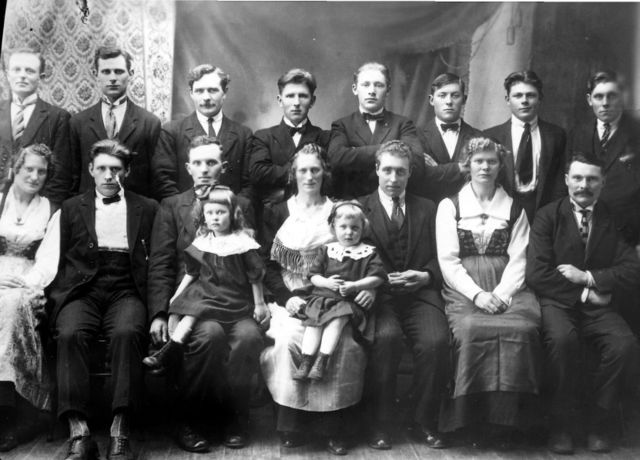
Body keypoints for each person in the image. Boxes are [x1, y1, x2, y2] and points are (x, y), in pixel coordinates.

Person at [146, 135, 256, 453]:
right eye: (198, 163)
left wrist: (260, 303)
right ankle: (189, 419)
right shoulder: (171, 206)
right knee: (209, 336)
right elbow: (161, 263)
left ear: (223, 167)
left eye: (211, 162)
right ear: (188, 168)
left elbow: (253, 261)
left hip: (234, 300)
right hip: (192, 303)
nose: (204, 169)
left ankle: (233, 417)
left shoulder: (241, 205)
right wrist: (160, 312)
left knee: (248, 336)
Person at [49, 139, 158, 460]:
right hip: (82, 288)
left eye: (116, 169)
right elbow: (55, 258)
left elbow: (157, 259)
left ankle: (119, 430)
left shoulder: (147, 207)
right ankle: (79, 432)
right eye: (102, 169)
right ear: (91, 170)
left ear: (127, 172)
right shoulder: (71, 207)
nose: (109, 175)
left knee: (127, 333)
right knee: (69, 333)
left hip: (127, 286)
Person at [527, 153, 640, 455]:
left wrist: (588, 277)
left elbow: (632, 269)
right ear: (566, 180)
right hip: (558, 303)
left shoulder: (613, 217)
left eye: (591, 179)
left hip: (599, 308)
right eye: (577, 178)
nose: (583, 185)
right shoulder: (548, 216)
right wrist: (585, 293)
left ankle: (597, 424)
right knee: (562, 342)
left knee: (624, 345)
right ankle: (561, 426)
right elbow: (537, 273)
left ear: (603, 182)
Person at [260, 143, 366, 455]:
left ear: (325, 173)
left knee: (342, 343)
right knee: (288, 339)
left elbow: (354, 256)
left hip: (330, 296)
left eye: (315, 170)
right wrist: (287, 298)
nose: (309, 176)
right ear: (293, 174)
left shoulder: (338, 211)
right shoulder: (277, 211)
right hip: (288, 296)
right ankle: (291, 425)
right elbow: (266, 265)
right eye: (303, 170)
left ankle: (332, 427)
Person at [435, 137, 542, 446]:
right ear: (467, 165)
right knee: (470, 329)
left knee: (522, 329)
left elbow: (520, 258)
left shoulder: (514, 208)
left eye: (491, 161)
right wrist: (478, 295)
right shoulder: (450, 206)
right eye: (478, 161)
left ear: (500, 166)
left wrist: (503, 294)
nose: (485, 166)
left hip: (508, 284)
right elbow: (448, 260)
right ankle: (468, 423)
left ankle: (508, 425)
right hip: (465, 286)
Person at [359, 140, 449, 450]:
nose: (393, 178)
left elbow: (444, 255)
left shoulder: (429, 208)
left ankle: (422, 420)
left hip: (420, 294)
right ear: (376, 170)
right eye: (387, 170)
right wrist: (376, 281)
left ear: (410, 173)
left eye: (400, 171)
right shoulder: (359, 208)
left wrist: (426, 276)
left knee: (436, 342)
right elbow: (350, 257)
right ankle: (380, 423)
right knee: (386, 339)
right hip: (379, 298)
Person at [143, 186, 268, 375]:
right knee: (190, 314)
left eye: (220, 212)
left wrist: (259, 304)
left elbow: (255, 275)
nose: (215, 218)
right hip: (207, 293)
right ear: (203, 216)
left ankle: (169, 353)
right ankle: (169, 352)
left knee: (199, 314)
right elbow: (191, 272)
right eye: (210, 213)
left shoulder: (242, 242)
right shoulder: (203, 241)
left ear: (233, 214)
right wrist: (177, 295)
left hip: (233, 295)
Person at [0, 144, 60, 452]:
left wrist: (26, 285)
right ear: (16, 169)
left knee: (11, 307)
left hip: (27, 284)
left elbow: (48, 261)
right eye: (29, 169)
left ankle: (9, 413)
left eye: (41, 171)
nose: (35, 176)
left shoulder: (51, 210)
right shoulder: (0, 201)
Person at [293, 201, 386, 381]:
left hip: (348, 303)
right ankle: (306, 361)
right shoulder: (327, 249)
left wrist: (355, 285)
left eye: (355, 228)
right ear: (333, 228)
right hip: (323, 299)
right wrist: (327, 283)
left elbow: (378, 277)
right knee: (314, 322)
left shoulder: (368, 252)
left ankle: (322, 360)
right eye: (343, 227)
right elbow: (313, 276)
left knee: (337, 320)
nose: (349, 232)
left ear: (363, 230)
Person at [69, 46, 161, 199]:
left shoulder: (149, 123)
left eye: (118, 71)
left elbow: (156, 179)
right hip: (89, 207)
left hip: (134, 208)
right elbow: (72, 177)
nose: (112, 78)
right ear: (96, 74)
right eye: (106, 72)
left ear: (130, 74)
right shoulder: (78, 123)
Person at [153, 64, 252, 201]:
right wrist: (185, 210)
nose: (206, 97)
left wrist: (232, 209)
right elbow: (164, 181)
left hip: (230, 210)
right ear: (191, 93)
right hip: (186, 211)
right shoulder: (171, 131)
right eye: (199, 91)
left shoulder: (243, 134)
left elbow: (250, 185)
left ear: (224, 92)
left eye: (212, 90)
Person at [328, 61, 425, 199]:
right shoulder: (342, 125)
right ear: (355, 89)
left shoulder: (403, 124)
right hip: (353, 203)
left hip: (391, 201)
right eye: (365, 85)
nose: (372, 91)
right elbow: (336, 160)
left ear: (388, 90)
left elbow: (417, 165)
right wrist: (392, 149)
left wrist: (354, 153)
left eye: (379, 85)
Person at [484, 70, 567, 222]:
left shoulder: (556, 135)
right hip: (501, 215)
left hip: (544, 216)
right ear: (507, 99)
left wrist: (551, 217)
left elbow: (561, 183)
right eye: (518, 95)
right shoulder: (491, 137)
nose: (524, 101)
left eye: (530, 95)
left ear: (540, 98)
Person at [0, 47, 71, 206]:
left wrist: (46, 210)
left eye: (30, 71)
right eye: (16, 70)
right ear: (7, 75)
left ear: (41, 76)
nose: (22, 75)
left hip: (36, 205)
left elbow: (60, 175)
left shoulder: (57, 117)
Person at [249, 68, 330, 207]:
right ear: (280, 100)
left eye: (303, 96)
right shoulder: (263, 136)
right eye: (290, 96)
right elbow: (258, 173)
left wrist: (279, 173)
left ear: (312, 101)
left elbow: (329, 176)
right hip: (274, 213)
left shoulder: (324, 137)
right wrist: (303, 169)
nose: (296, 102)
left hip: (313, 209)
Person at [417, 72, 482, 202]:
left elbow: (480, 177)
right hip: (429, 209)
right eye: (442, 95)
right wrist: (460, 168)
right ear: (431, 100)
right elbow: (419, 176)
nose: (449, 101)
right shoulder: (416, 136)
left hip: (465, 209)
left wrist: (437, 170)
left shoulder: (479, 137)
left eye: (455, 95)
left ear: (464, 99)